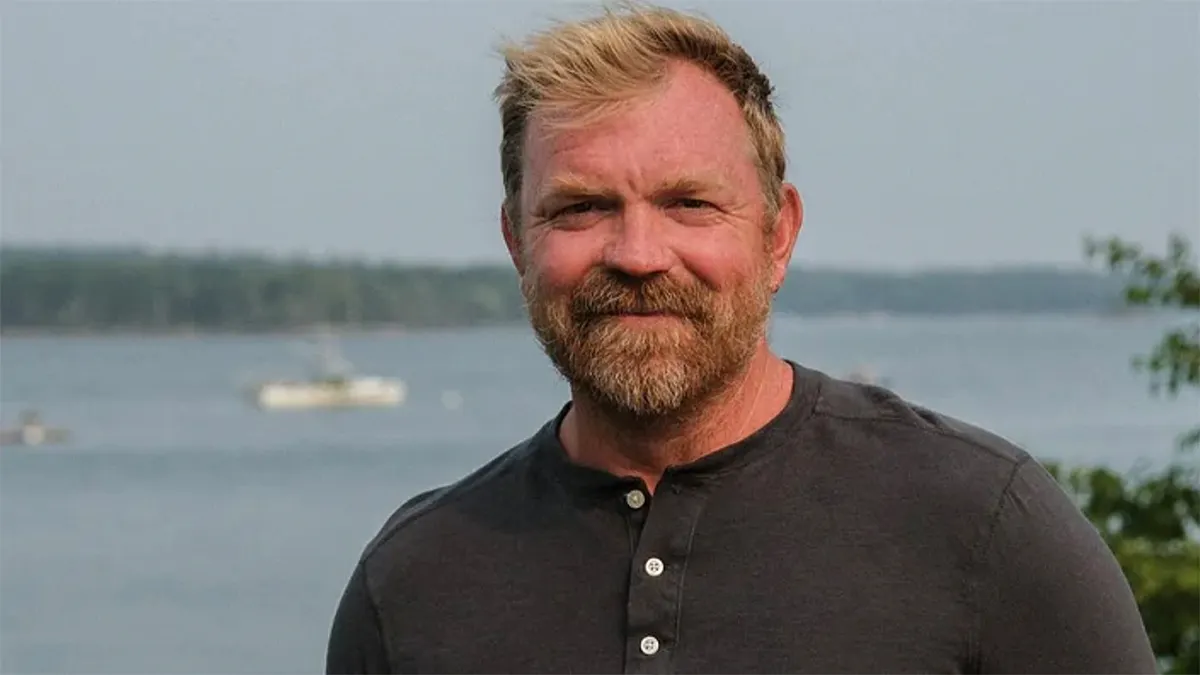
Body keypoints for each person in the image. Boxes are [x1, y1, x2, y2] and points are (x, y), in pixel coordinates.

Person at [326, 4, 1156, 673]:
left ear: (777, 235)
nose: (639, 255)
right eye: (581, 208)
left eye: (689, 202)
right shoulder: (414, 582)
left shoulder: (981, 527)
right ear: (517, 242)